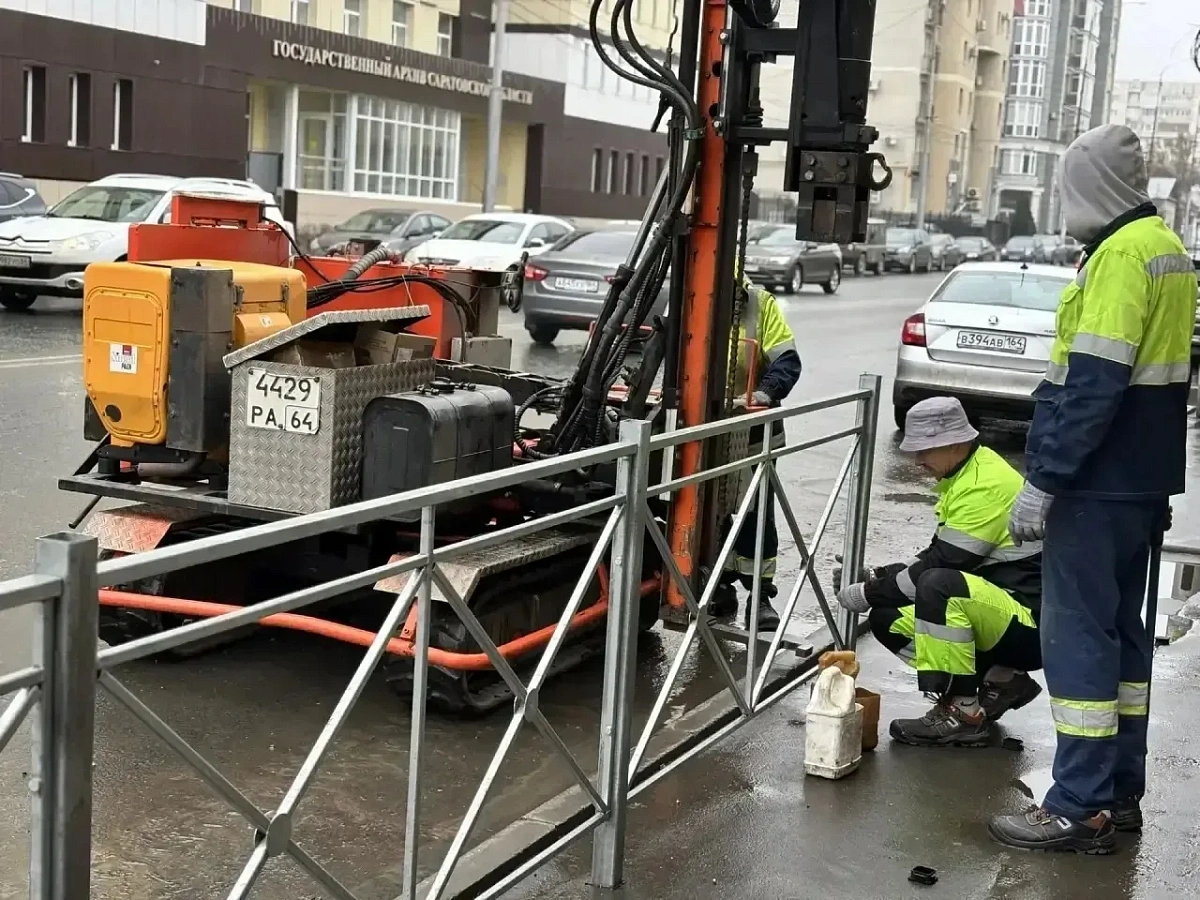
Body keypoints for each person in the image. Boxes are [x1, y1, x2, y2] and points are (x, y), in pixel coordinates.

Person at [989, 125, 1197, 855]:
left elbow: (1093, 382)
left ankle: (1077, 805)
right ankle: (1117, 794)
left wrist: (1045, 479)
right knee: (1123, 638)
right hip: (1141, 480)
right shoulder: (1166, 248)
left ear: (1092, 188)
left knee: (1078, 638)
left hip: (1095, 482)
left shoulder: (1119, 256)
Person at [835, 397, 1042, 747]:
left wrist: (867, 593)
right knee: (887, 617)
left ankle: (964, 713)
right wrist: (878, 578)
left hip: (1030, 624)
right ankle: (998, 681)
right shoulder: (966, 472)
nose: (918, 460)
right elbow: (936, 556)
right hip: (1000, 612)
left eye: (925, 450)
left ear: (956, 444)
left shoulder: (984, 485)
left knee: (939, 587)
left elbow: (943, 565)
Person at [710, 269, 802, 630]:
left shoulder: (760, 305)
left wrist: (764, 394)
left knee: (755, 514)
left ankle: (760, 597)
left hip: (753, 433)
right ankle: (717, 583)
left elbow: (786, 361)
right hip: (705, 430)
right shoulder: (690, 299)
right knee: (706, 511)